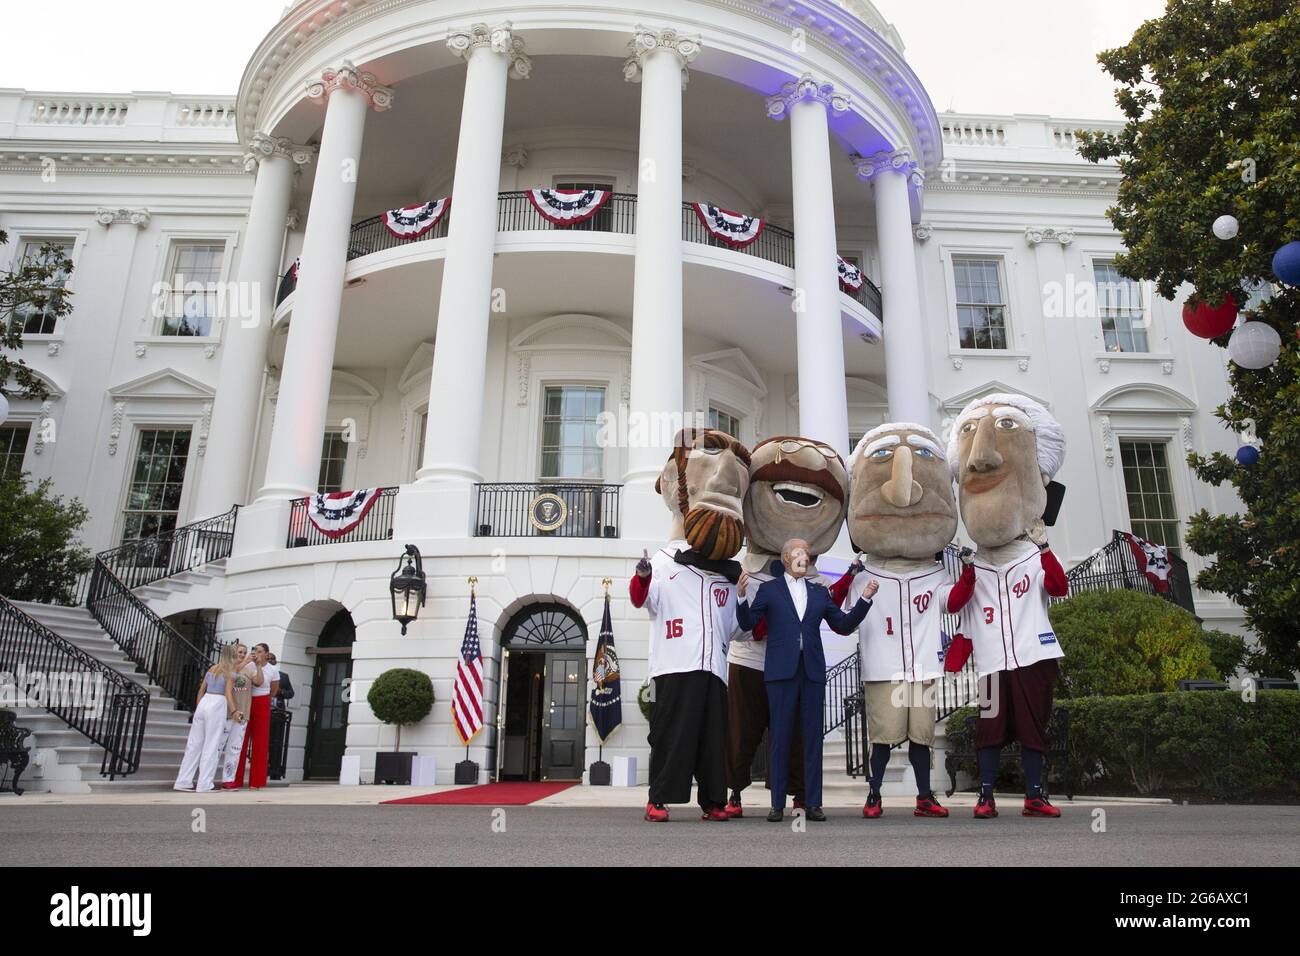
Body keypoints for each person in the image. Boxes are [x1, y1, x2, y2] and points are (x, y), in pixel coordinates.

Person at [830, 422, 974, 819]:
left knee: (921, 738)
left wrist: (969, 570)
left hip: (923, 667)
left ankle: (924, 796)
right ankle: (874, 793)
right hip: (884, 669)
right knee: (882, 738)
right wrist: (847, 575)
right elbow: (834, 607)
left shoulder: (934, 573)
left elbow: (955, 601)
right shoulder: (865, 574)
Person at [945, 393, 1069, 819]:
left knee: (1035, 726)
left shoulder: (1034, 555)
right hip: (994, 661)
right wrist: (965, 572)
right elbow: (956, 606)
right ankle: (985, 795)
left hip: (1034, 653)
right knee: (989, 727)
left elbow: (1059, 586)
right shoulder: (975, 565)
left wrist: (1046, 546)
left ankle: (1035, 794)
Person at [725, 435, 850, 817]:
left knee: (796, 733)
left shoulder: (815, 579)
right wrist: (755, 623)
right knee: (742, 732)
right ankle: (734, 793)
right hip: (749, 661)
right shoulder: (741, 570)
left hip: (793, 666)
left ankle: (798, 795)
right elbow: (733, 624)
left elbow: (830, 614)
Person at [630, 427, 750, 823]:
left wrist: (747, 597)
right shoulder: (664, 561)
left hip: (714, 668)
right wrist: (644, 575)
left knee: (712, 739)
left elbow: (736, 627)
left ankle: (713, 800)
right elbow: (643, 600)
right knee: (671, 735)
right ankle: (659, 798)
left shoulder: (726, 575)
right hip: (674, 665)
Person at [736, 538, 876, 821]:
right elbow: (749, 624)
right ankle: (777, 804)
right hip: (780, 673)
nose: (805, 557)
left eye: (808, 553)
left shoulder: (819, 592)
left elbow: (844, 625)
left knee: (812, 739)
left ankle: (813, 803)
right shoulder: (769, 589)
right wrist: (741, 598)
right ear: (787, 558)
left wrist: (865, 600)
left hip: (811, 672)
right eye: (800, 552)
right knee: (780, 738)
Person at [173, 644, 238, 793]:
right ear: (232, 656)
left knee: (194, 744)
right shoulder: (230, 672)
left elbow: (201, 690)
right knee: (212, 744)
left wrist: (198, 707)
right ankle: (204, 783)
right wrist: (234, 710)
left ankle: (183, 781)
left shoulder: (212, 669)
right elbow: (228, 693)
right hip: (218, 703)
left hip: (204, 703)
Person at [231, 643, 279, 790]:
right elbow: (236, 676)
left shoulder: (272, 670)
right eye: (255, 651)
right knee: (241, 739)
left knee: (260, 741)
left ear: (266, 654)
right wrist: (248, 661)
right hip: (247, 700)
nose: (256, 653)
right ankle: (235, 779)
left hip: (262, 701)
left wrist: (266, 700)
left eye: (259, 651)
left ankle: (256, 781)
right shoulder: (248, 665)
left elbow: (273, 690)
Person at [218, 644, 261, 790]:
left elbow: (259, 682)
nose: (242, 655)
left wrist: (258, 665)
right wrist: (245, 662)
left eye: (244, 652)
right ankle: (207, 777)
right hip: (227, 712)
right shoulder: (227, 667)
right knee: (218, 746)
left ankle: (229, 779)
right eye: (240, 652)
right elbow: (231, 675)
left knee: (235, 748)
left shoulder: (249, 668)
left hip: (243, 713)